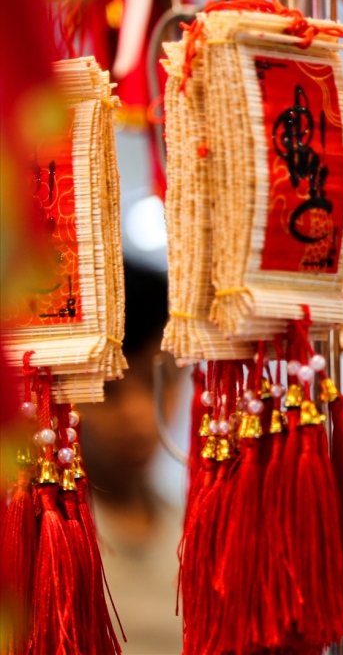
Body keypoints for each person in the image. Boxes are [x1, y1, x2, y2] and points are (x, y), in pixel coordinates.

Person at [79, 260, 184, 654]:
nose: (139, 414)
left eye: (159, 382)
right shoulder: (35, 546)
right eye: (109, 389)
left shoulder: (192, 533)